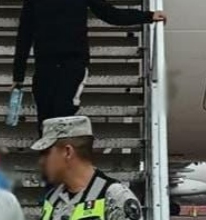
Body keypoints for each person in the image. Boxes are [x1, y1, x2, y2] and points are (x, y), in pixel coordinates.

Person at [13, 0, 167, 132]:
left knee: (62, 115)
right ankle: (51, 163)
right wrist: (18, 76)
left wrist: (148, 16)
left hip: (73, 64)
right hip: (45, 65)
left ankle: (63, 162)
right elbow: (24, 35)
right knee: (45, 119)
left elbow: (110, 14)